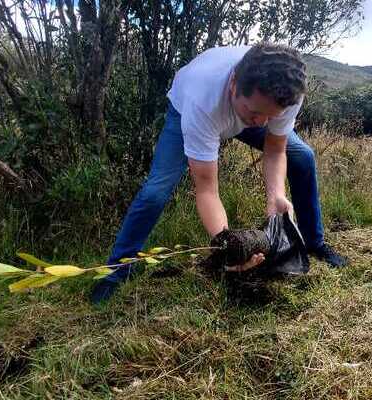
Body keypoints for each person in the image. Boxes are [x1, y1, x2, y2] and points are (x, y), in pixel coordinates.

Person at [91, 42, 347, 304]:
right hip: (191, 110)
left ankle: (313, 243)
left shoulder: (285, 93)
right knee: (155, 192)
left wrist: (276, 195)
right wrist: (232, 246)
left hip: (237, 107)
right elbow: (206, 188)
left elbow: (275, 149)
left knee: (303, 157)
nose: (262, 123)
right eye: (257, 112)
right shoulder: (201, 101)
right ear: (234, 83)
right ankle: (116, 271)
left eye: (272, 116)